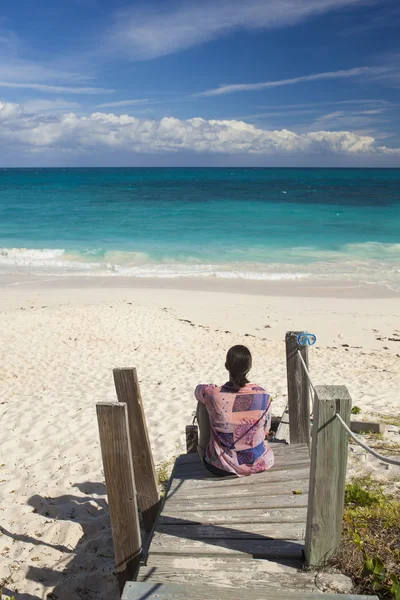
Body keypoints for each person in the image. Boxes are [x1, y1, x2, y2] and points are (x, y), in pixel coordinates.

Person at [194, 345, 274, 477]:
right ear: (249, 367)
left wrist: (212, 388)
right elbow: (266, 430)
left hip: (221, 467)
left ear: (227, 366)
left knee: (203, 403)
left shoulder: (213, 394)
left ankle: (203, 447)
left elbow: (197, 391)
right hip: (258, 464)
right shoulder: (264, 395)